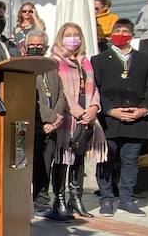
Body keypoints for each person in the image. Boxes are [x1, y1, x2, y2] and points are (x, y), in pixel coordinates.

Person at [91, 18, 148, 215]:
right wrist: (110, 110)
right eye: (117, 30)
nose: (121, 34)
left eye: (125, 31)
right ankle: (106, 198)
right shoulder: (99, 59)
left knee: (130, 160)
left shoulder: (145, 59)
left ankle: (127, 199)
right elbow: (96, 89)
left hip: (136, 118)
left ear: (132, 35)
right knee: (106, 159)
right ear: (111, 34)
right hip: (109, 119)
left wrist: (143, 109)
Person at [44, 22, 105, 221]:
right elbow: (59, 92)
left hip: (86, 114)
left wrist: (94, 108)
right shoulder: (55, 61)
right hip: (67, 116)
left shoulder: (85, 61)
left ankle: (76, 198)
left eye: (76, 34)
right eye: (68, 35)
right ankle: (59, 199)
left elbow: (94, 89)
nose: (73, 38)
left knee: (79, 157)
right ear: (61, 38)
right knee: (63, 158)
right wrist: (79, 112)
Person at [27, 31, 67, 213]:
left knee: (46, 164)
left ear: (46, 46)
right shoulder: (24, 68)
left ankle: (42, 199)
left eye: (39, 46)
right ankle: (30, 198)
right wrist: (49, 118)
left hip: (51, 127)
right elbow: (34, 100)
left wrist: (57, 118)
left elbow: (60, 95)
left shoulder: (52, 68)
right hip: (34, 126)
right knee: (34, 166)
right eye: (32, 46)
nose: (36, 49)